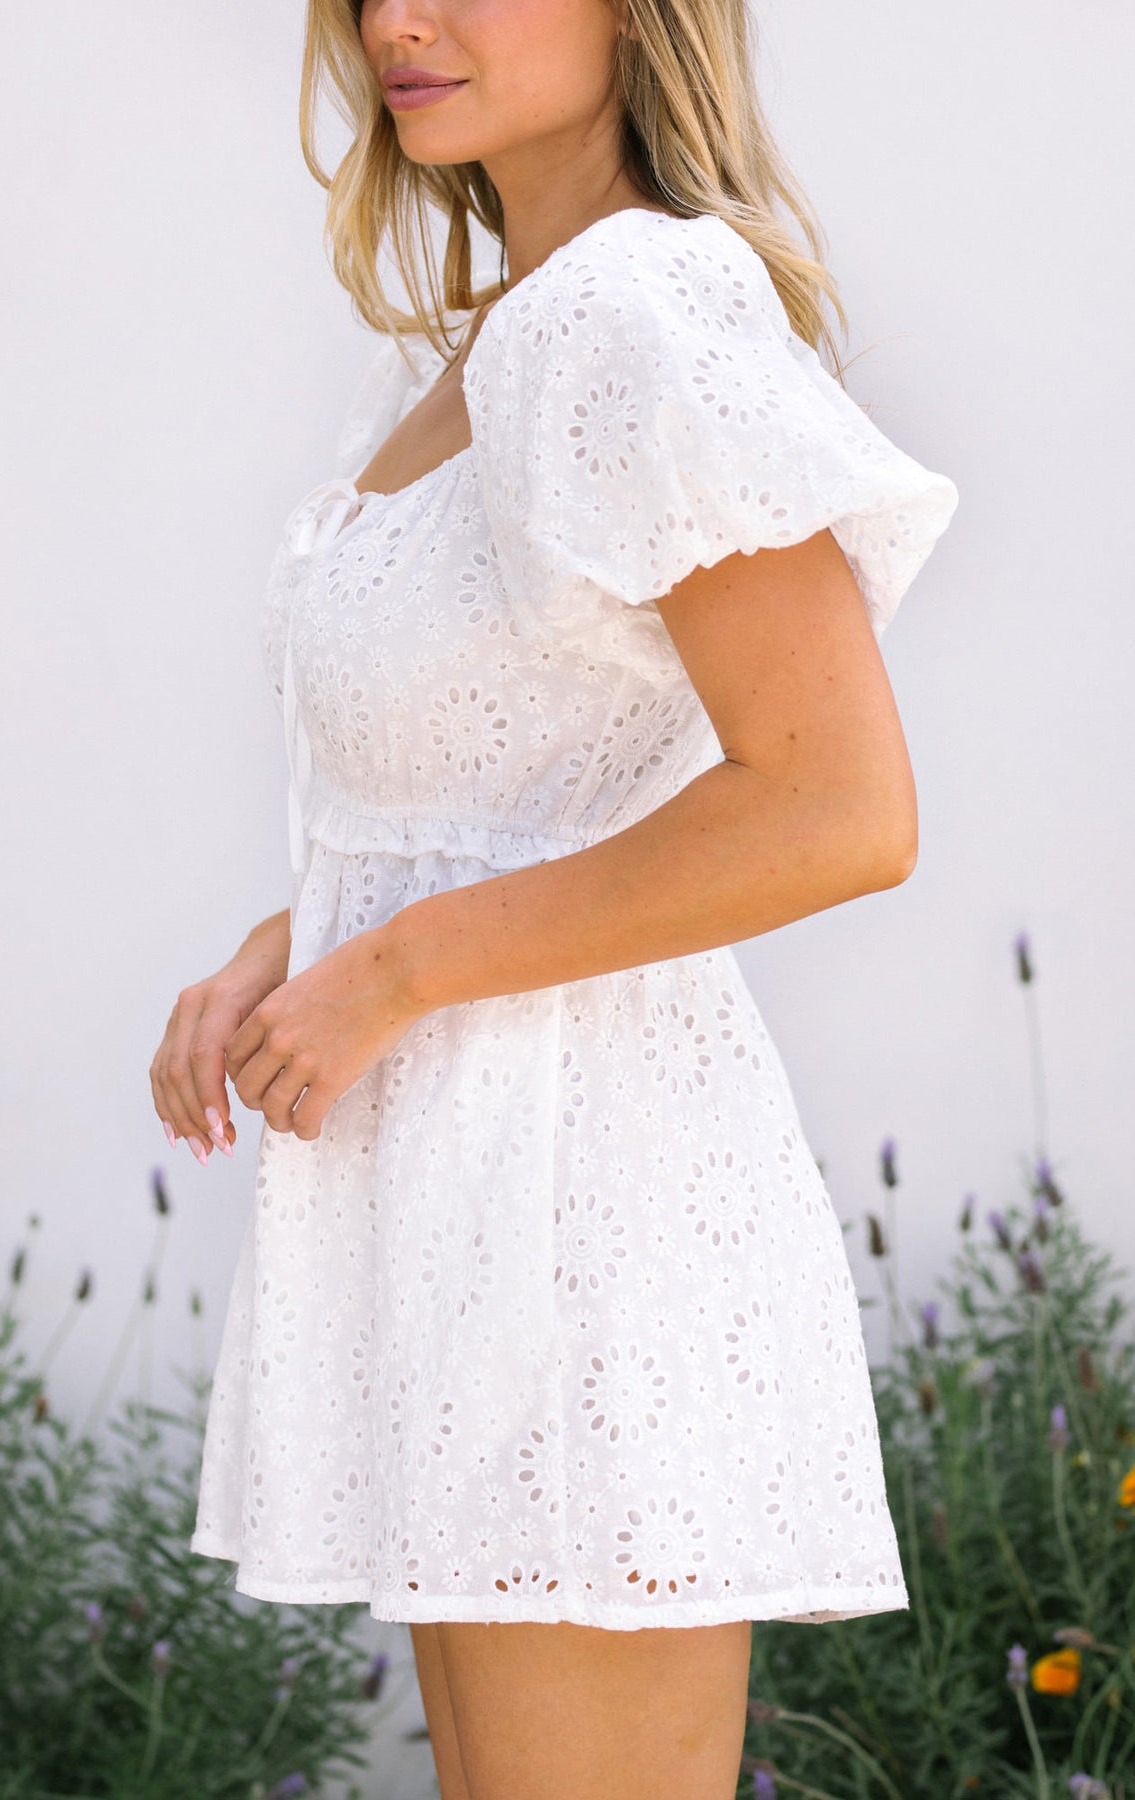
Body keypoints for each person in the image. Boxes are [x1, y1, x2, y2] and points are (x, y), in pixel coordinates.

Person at [149, 0, 958, 1787]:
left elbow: (836, 807)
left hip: (578, 1213)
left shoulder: (635, 311)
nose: (399, 20)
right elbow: (529, 784)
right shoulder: (495, 336)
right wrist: (297, 948)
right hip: (462, 1208)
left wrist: (394, 973)